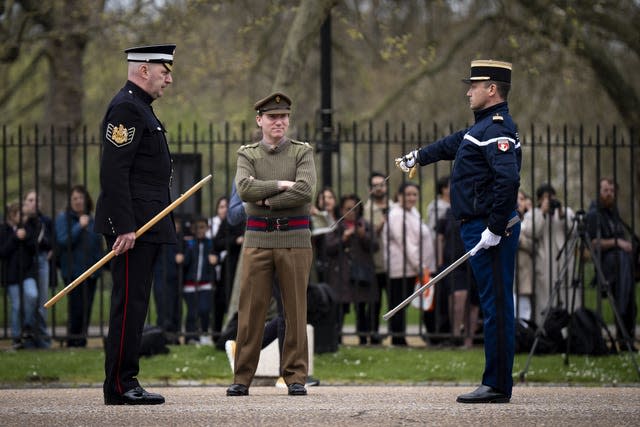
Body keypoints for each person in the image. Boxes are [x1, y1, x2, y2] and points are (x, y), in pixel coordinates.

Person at [396, 59, 521, 403]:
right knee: (494, 304)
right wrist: (419, 157)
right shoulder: (480, 129)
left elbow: (508, 180)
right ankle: (495, 381)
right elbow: (453, 144)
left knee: (496, 307)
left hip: (490, 230)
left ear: (491, 89)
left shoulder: (496, 129)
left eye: (474, 86)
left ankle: (496, 385)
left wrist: (495, 228)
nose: (468, 91)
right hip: (478, 227)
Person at [94, 43, 177, 405]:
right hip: (133, 229)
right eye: (165, 71)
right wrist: (124, 226)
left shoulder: (141, 109)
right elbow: (114, 172)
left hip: (146, 224)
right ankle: (120, 384)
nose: (169, 79)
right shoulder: (127, 108)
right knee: (128, 304)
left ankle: (126, 379)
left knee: (137, 303)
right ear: (144, 69)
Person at [227, 92, 316, 397]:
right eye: (272, 117)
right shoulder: (248, 154)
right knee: (251, 310)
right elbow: (243, 189)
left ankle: (294, 377)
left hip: (295, 239)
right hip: (258, 239)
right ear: (260, 120)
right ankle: (242, 377)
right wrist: (279, 186)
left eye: (283, 117)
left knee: (294, 310)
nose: (279, 122)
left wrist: (262, 200)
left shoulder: (302, 152)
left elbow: (305, 192)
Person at [587, 177, 637, 350]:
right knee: (621, 302)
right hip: (608, 267)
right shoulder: (594, 214)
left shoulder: (613, 214)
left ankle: (626, 341)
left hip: (623, 267)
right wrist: (616, 243)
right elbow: (592, 243)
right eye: (605, 190)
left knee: (630, 303)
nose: (609, 194)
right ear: (599, 192)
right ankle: (621, 340)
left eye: (612, 191)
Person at [382, 182, 435, 346]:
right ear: (399, 196)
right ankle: (398, 340)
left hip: (414, 267)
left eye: (414, 194)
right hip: (403, 268)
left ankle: (419, 336)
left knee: (409, 303)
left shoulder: (413, 212)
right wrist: (419, 265)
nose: (411, 198)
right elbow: (405, 243)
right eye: (408, 194)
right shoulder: (397, 215)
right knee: (399, 305)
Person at [324, 194, 378, 345]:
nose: (351, 212)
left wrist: (363, 236)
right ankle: (337, 339)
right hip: (341, 274)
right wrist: (343, 239)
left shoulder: (365, 225)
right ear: (341, 210)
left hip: (361, 274)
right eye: (348, 209)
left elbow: (375, 246)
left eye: (355, 209)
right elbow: (328, 248)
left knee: (361, 308)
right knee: (340, 308)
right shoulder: (336, 226)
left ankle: (363, 338)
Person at [55, 185, 104, 347]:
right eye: (75, 198)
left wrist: (100, 266)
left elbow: (98, 244)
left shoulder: (92, 218)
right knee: (76, 307)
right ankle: (73, 339)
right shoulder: (64, 218)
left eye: (81, 198)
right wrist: (79, 226)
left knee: (87, 307)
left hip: (91, 271)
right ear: (70, 201)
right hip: (73, 271)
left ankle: (81, 340)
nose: (78, 201)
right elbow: (62, 241)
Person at [522, 184, 577, 324]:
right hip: (544, 264)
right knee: (545, 301)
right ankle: (544, 332)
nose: (551, 200)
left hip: (565, 262)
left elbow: (575, 231)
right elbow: (530, 232)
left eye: (552, 197)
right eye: (546, 198)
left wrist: (562, 214)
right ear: (540, 200)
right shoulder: (533, 214)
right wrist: (543, 213)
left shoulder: (566, 212)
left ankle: (569, 333)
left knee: (568, 298)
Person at [0, 202, 38, 349]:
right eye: (20, 214)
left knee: (32, 295)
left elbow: (34, 247)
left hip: (27, 272)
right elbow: (3, 252)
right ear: (12, 215)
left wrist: (25, 237)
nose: (23, 217)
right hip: (11, 274)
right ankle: (16, 338)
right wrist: (16, 238)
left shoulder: (28, 228)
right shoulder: (4, 230)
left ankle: (27, 326)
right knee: (16, 305)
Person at [362, 172, 394, 344]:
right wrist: (382, 222)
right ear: (369, 189)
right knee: (374, 302)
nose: (379, 188)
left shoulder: (394, 206)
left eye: (381, 184)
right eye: (375, 185)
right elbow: (368, 235)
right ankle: (372, 335)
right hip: (374, 263)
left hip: (394, 263)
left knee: (394, 301)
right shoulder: (366, 210)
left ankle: (396, 335)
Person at [176, 217, 217, 345]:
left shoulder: (210, 243)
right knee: (192, 311)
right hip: (190, 283)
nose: (200, 230)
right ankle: (190, 337)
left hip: (205, 283)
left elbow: (216, 257)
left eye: (202, 227)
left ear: (207, 228)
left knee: (204, 309)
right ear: (193, 229)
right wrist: (184, 256)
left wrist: (215, 259)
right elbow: (185, 262)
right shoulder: (189, 243)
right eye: (197, 227)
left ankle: (204, 333)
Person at [22, 190, 54, 348]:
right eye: (30, 200)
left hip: (42, 261)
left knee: (42, 301)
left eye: (36, 200)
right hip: (26, 264)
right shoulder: (22, 221)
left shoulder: (45, 220)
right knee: (30, 296)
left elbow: (52, 242)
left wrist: (50, 249)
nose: (33, 203)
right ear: (25, 203)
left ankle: (41, 338)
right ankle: (27, 335)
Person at [515, 190, 535, 321]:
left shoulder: (530, 221)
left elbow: (535, 244)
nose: (518, 202)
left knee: (524, 307)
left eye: (521, 199)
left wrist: (520, 238)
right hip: (509, 268)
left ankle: (523, 334)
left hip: (524, 270)